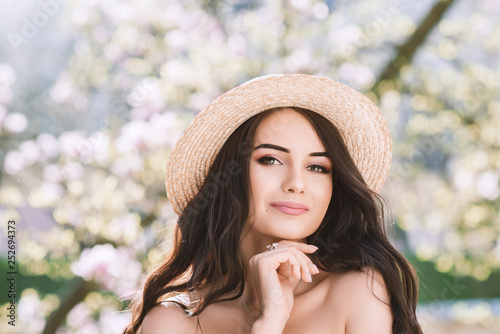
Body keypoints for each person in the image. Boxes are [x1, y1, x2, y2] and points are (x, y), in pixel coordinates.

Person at [123, 74, 423, 333]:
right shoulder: (174, 323)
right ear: (229, 175)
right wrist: (268, 323)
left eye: (317, 167)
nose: (296, 183)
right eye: (270, 159)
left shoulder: (356, 293)